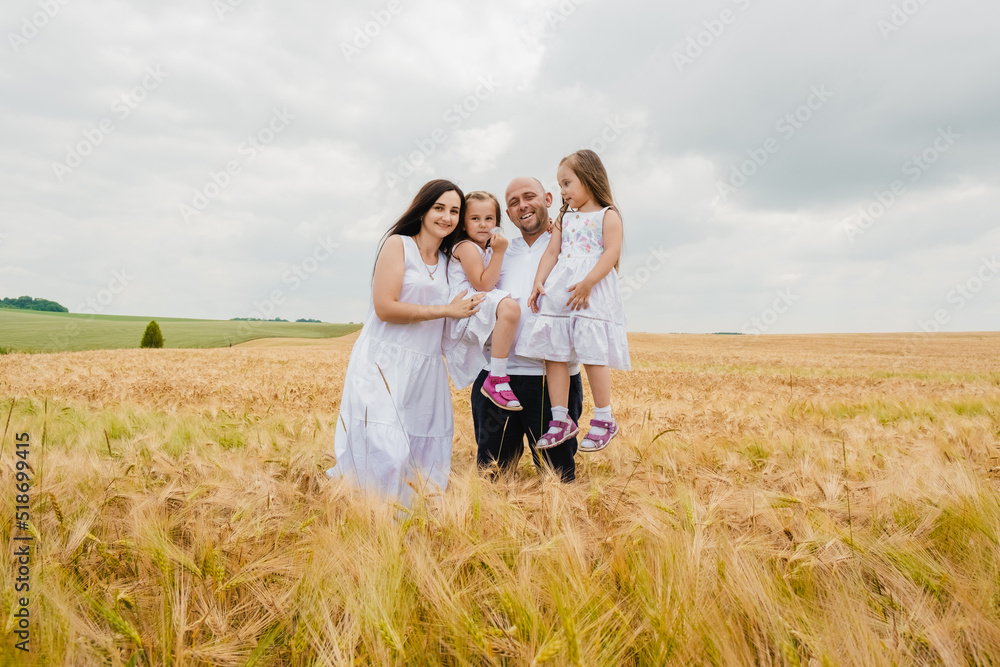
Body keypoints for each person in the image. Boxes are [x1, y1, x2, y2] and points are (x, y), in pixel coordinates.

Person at [326, 179, 484, 504]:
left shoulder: (448, 262)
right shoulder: (398, 245)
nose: (447, 217)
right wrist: (446, 310)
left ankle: (412, 524)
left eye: (455, 211)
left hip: (425, 366)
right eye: (439, 207)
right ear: (423, 209)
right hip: (383, 361)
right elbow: (385, 308)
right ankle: (368, 517)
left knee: (421, 450)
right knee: (381, 443)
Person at [470, 177, 584, 482]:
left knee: (558, 478)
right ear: (508, 215)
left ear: (548, 199)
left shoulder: (570, 245)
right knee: (490, 478)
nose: (523, 205)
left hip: (552, 383)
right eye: (513, 202)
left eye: (529, 196)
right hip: (496, 381)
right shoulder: (497, 252)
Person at [520, 149, 630, 453]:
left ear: (588, 178)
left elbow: (611, 252)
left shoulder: (608, 214)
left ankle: (604, 418)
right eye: (560, 185)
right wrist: (538, 282)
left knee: (593, 351)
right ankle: (560, 418)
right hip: (561, 291)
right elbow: (552, 253)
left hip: (589, 292)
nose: (563, 191)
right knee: (554, 351)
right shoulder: (564, 219)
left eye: (567, 183)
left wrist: (589, 282)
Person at [443, 191, 523, 410]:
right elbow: (484, 285)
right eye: (475, 219)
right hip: (467, 305)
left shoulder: (483, 248)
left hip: (477, 303)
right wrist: (498, 253)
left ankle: (496, 375)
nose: (483, 225)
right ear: (462, 224)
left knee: (509, 309)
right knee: (510, 308)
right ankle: (496, 379)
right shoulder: (467, 247)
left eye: (489, 219)